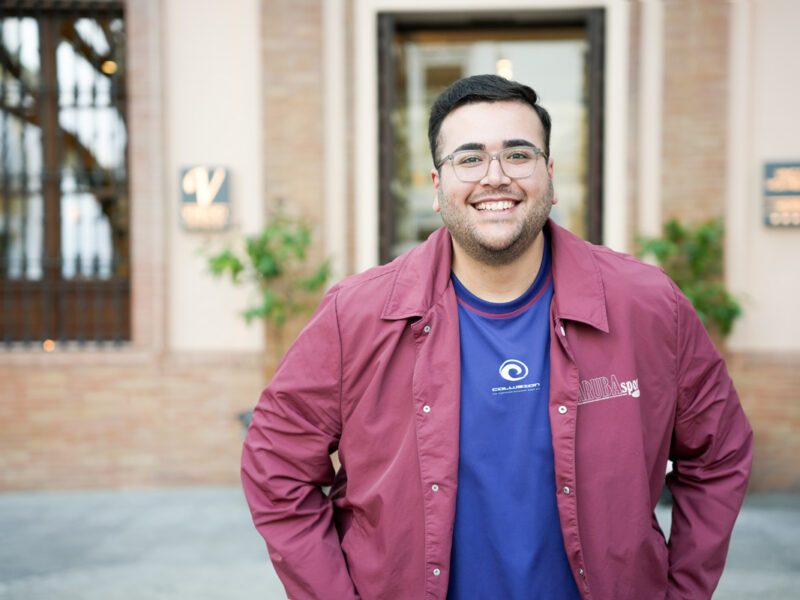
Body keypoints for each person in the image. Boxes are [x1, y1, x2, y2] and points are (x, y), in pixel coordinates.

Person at [241, 74, 753, 600]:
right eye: (469, 158)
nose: (495, 177)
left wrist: (682, 591)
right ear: (437, 186)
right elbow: (276, 465)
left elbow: (719, 453)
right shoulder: (357, 315)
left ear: (549, 177)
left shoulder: (647, 305)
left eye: (518, 155)